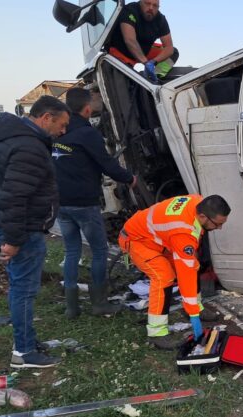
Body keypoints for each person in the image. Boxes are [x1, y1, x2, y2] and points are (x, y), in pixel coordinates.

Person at [0, 96, 70, 369]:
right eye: (62, 124)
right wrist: (14, 240)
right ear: (46, 118)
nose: (63, 131)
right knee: (24, 291)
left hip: (4, 225)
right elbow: (14, 197)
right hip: (20, 230)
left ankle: (27, 341)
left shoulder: (9, 138)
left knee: (18, 286)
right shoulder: (29, 147)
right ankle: (23, 352)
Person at [54, 87, 137, 319]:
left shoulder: (57, 132)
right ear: (87, 108)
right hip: (84, 203)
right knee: (99, 251)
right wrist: (129, 178)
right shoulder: (87, 134)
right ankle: (99, 303)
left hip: (61, 203)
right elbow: (106, 164)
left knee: (71, 250)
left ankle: (72, 307)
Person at [118, 194, 230, 349]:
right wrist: (194, 316)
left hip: (158, 238)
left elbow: (190, 263)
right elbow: (186, 273)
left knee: (193, 264)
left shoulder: (198, 202)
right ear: (203, 216)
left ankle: (195, 308)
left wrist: (194, 308)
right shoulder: (182, 232)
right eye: (217, 224)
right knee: (164, 277)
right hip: (137, 240)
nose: (219, 228)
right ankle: (157, 333)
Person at [107, 0, 178, 83]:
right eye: (147, 3)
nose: (151, 8)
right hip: (122, 53)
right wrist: (146, 62)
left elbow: (169, 47)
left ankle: (156, 77)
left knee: (173, 52)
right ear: (140, 2)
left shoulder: (161, 19)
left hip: (145, 51)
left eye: (155, 6)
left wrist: (153, 62)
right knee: (126, 84)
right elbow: (130, 40)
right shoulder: (130, 10)